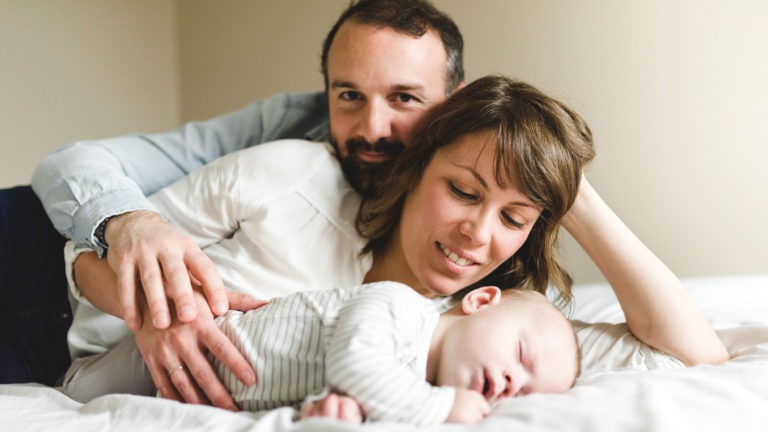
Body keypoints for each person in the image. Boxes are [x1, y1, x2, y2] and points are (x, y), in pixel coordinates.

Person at [60, 76, 727, 420]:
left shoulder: (507, 325)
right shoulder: (292, 183)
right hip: (45, 292)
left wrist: (563, 179)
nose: (478, 234)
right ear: (417, 165)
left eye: (515, 217)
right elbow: (86, 259)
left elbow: (698, 355)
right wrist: (154, 308)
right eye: (463, 192)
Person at [5, 0, 462, 388]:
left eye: (404, 98)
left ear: (454, 101)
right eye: (348, 95)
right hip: (34, 244)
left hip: (69, 349)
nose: (372, 128)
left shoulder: (469, 212)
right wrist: (132, 225)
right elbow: (70, 163)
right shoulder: (287, 132)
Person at [68, 282, 581, 425]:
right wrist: (441, 410)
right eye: (520, 354)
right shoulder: (399, 304)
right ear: (480, 300)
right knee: (72, 394)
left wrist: (327, 409)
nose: (515, 381)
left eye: (527, 388)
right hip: (190, 348)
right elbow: (354, 365)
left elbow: (338, 388)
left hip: (194, 394)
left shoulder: (410, 383)